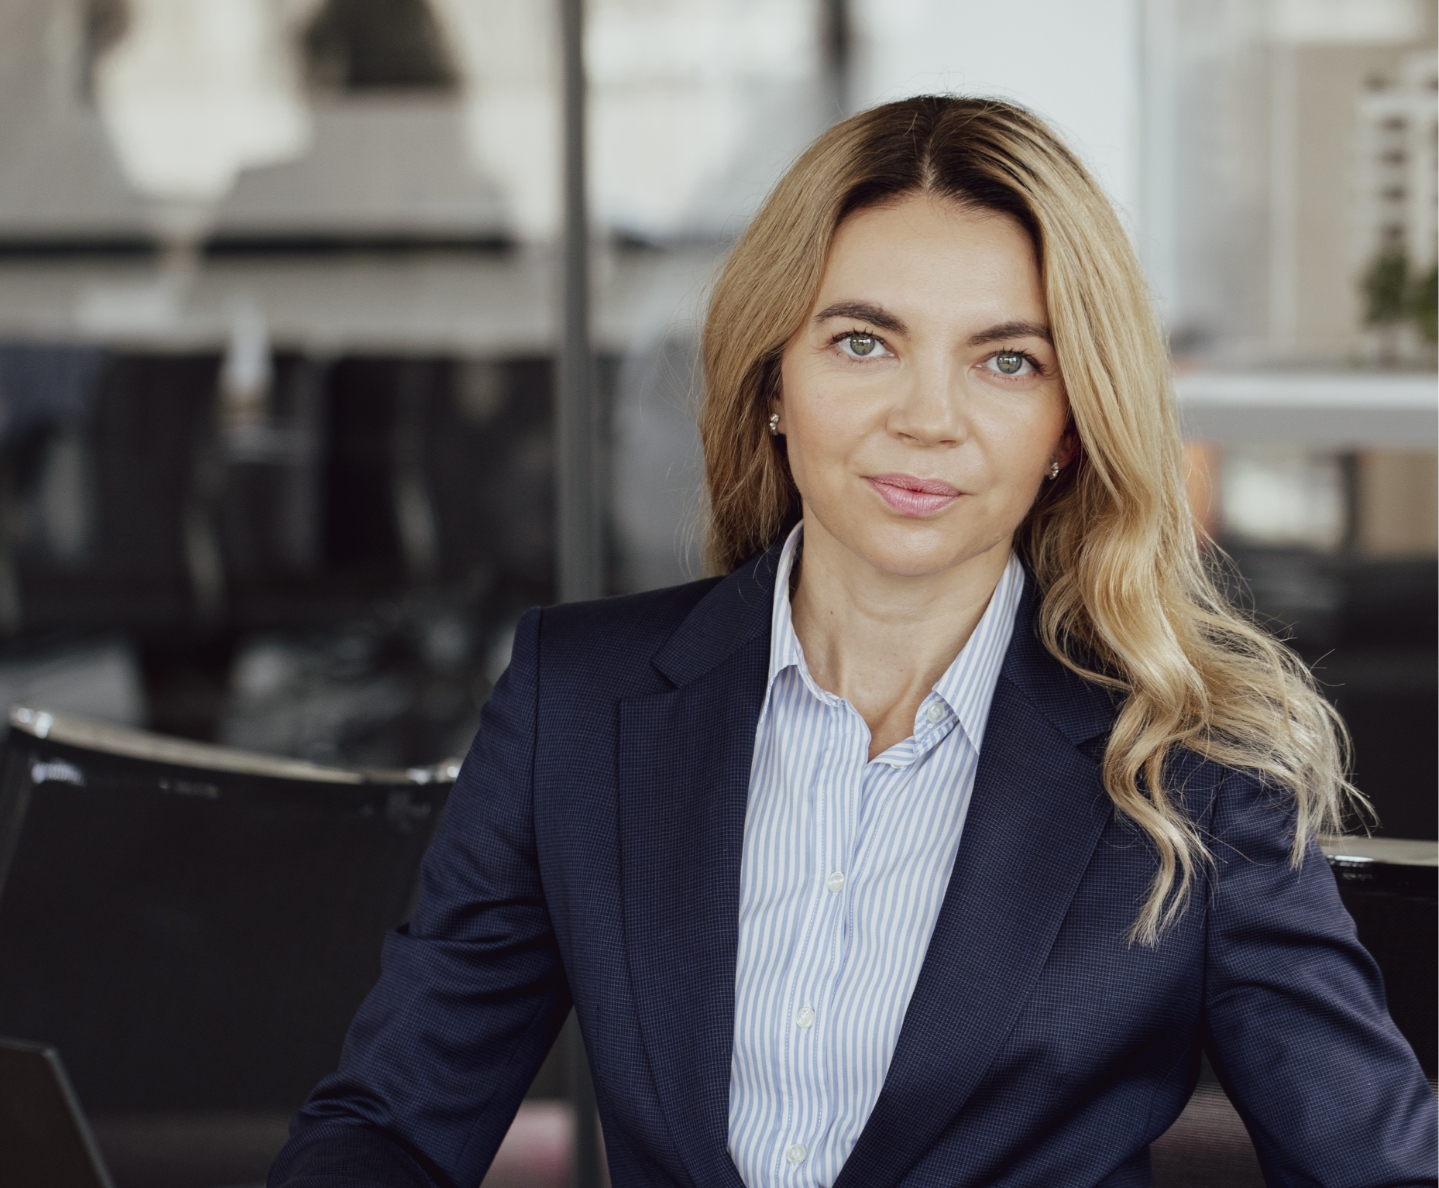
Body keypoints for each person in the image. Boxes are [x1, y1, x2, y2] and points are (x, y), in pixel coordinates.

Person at [269, 97, 1436, 1188]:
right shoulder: (576, 703)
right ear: (773, 378)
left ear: (1067, 428)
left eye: (1005, 360)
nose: (925, 417)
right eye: (863, 343)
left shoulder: (1189, 760)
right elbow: (389, 1129)